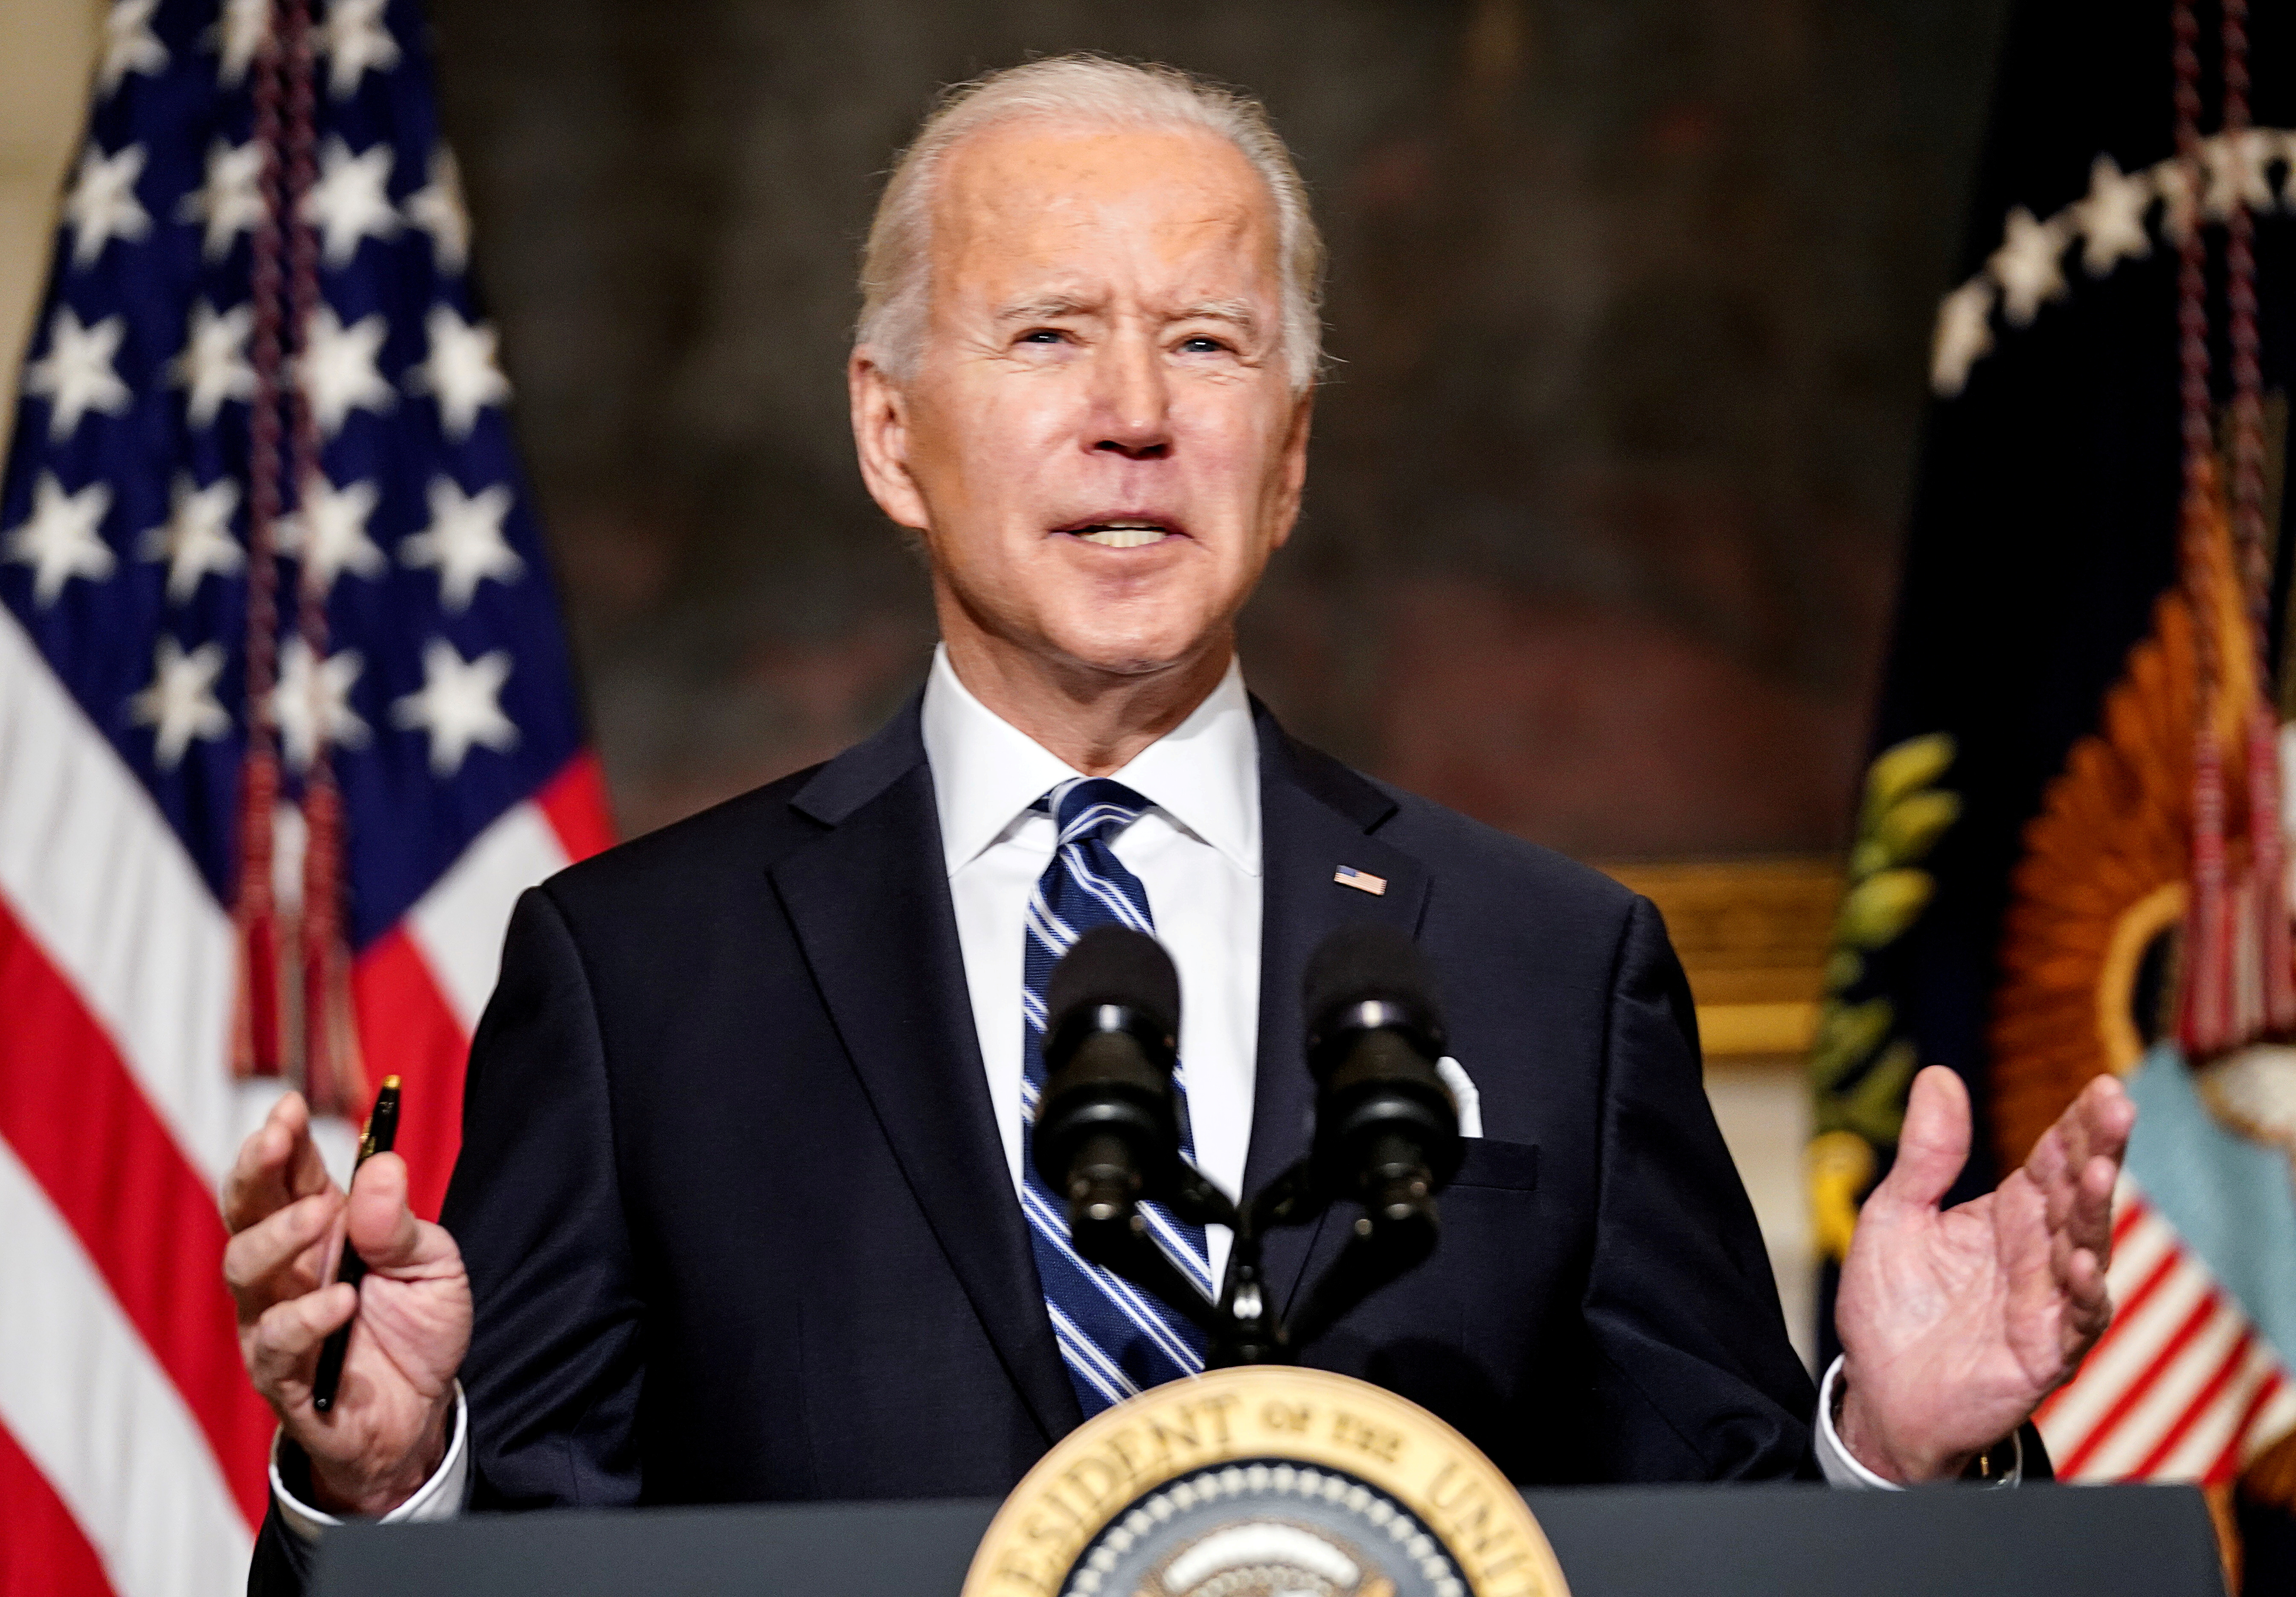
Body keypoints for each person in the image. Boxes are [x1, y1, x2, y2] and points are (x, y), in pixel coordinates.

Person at [223, 56, 2133, 1591]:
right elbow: (544, 1574)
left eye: (1209, 345)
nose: (1134, 414)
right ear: (892, 434)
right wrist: (396, 1488)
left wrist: (1884, 1451)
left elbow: (1713, 1548)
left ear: (1286, 458)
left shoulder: (1552, 964)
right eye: (1049, 335)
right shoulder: (641, 981)